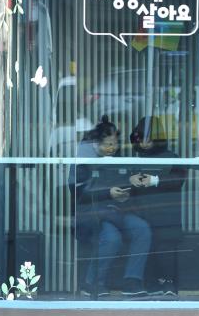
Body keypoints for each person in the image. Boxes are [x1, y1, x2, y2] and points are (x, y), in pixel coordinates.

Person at [75, 115, 151, 298]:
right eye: (107, 144)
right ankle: (93, 283)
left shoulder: (121, 161)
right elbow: (80, 192)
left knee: (143, 230)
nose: (112, 148)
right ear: (96, 144)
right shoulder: (85, 163)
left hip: (120, 212)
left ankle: (132, 281)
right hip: (97, 214)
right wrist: (108, 193)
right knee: (112, 238)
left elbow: (129, 185)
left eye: (115, 143)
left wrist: (132, 183)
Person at [128, 116, 188, 296]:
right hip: (142, 212)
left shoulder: (172, 157)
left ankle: (169, 284)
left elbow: (179, 179)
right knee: (147, 249)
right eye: (140, 139)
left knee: (165, 248)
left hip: (165, 213)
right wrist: (130, 180)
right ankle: (151, 284)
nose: (144, 143)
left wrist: (154, 180)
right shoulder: (136, 159)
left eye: (148, 139)